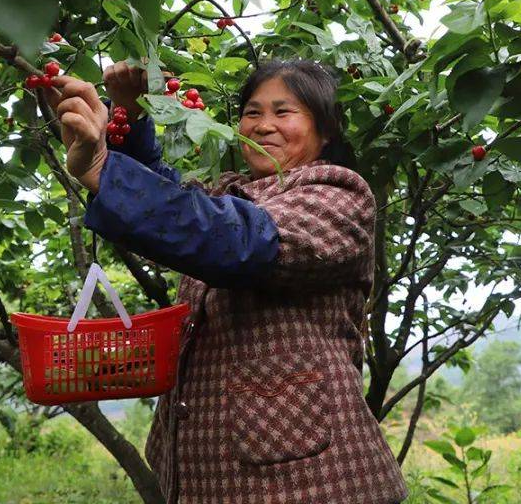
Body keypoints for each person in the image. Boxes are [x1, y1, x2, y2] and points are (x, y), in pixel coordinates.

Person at [42, 58, 408, 504]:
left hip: (310, 483)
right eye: (252, 112)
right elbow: (176, 210)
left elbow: (236, 239)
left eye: (283, 111)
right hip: (209, 478)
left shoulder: (339, 195)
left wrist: (105, 168)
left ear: (325, 130)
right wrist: (130, 116)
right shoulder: (228, 194)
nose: (263, 125)